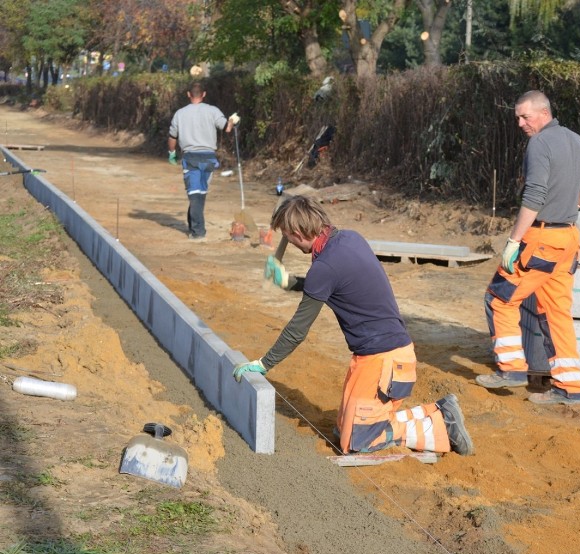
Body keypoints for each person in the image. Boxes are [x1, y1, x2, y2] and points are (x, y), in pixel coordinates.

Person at [233, 196, 474, 457]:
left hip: (382, 364)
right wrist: (292, 282)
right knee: (341, 432)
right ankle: (437, 410)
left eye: (288, 237)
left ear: (297, 233)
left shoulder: (323, 267)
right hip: (390, 356)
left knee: (357, 443)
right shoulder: (349, 239)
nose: (288, 243)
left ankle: (441, 423)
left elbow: (297, 331)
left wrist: (264, 363)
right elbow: (336, 284)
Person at [475, 90, 580, 406]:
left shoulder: (540, 144)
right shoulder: (574, 139)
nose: (520, 123)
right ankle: (570, 388)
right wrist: (575, 201)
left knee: (498, 298)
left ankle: (511, 369)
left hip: (541, 240)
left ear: (544, 113)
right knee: (555, 312)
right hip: (568, 241)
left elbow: (533, 196)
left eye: (525, 116)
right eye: (518, 118)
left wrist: (513, 242)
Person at [167, 82, 237, 241]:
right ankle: (193, 226)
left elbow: (172, 137)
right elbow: (226, 128)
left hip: (190, 157)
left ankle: (198, 233)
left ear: (188, 94)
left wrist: (172, 153)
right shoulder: (213, 111)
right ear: (203, 94)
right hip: (208, 157)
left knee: (195, 194)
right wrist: (232, 120)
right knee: (199, 194)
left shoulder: (180, 113)